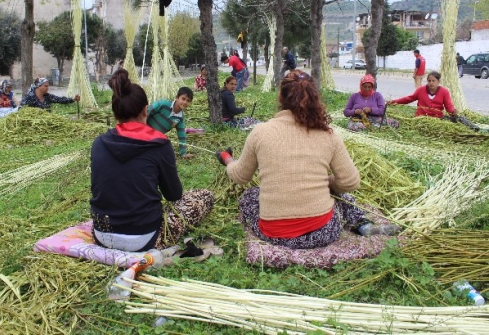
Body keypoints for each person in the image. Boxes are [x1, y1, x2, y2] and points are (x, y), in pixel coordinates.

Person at [214, 70, 400, 250]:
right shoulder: (328, 135)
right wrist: (327, 183)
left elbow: (240, 176)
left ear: (281, 98)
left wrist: (228, 159)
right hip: (323, 232)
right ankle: (362, 223)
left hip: (275, 234)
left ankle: (360, 223)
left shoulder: (260, 132)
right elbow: (351, 182)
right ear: (314, 98)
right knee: (341, 195)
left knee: (250, 196)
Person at [90, 69, 214, 251]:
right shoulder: (159, 144)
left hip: (102, 234)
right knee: (205, 196)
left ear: (116, 114)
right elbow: (173, 195)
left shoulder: (98, 143)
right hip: (144, 237)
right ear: (145, 111)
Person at [389, 71, 480, 131]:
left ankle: (473, 128)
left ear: (438, 81)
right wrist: (393, 102)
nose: (431, 83)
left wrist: (453, 111)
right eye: (429, 81)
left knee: (458, 120)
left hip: (438, 118)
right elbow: (409, 98)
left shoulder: (444, 92)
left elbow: (448, 106)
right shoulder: (421, 90)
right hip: (421, 118)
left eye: (433, 81)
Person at [147, 87, 195, 159]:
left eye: (188, 101)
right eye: (183, 99)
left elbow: (182, 136)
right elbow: (146, 111)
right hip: (142, 130)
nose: (185, 102)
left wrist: (183, 153)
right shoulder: (162, 104)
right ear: (176, 98)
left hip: (153, 138)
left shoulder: (180, 118)